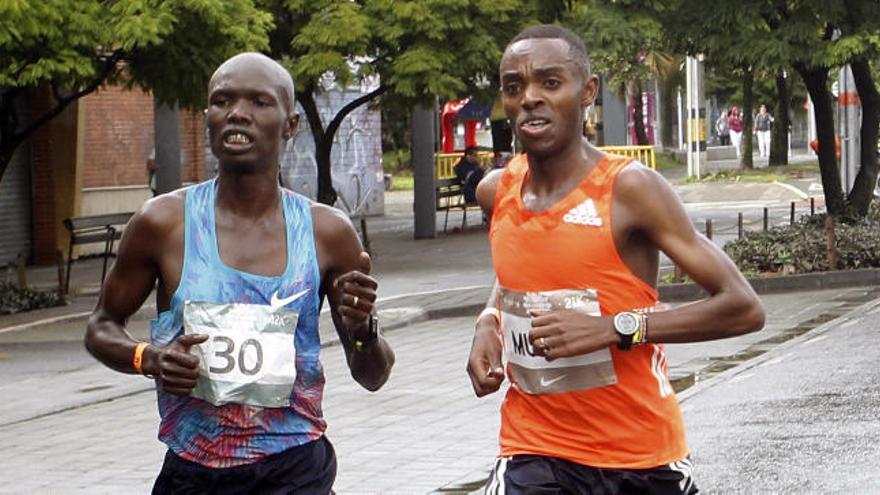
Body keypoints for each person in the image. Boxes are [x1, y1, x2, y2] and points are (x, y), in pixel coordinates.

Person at [466, 25, 764, 494]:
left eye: (549, 82)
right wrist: (489, 319)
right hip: (534, 447)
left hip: (640, 457)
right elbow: (519, 270)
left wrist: (614, 327)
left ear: (588, 92)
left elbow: (743, 307)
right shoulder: (496, 190)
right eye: (514, 86)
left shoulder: (630, 190)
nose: (529, 98)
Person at [85, 52, 394, 493]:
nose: (238, 114)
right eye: (222, 100)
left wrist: (362, 326)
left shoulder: (327, 232)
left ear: (290, 124)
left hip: (295, 469)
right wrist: (148, 358)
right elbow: (100, 326)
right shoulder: (163, 223)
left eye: (259, 103)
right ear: (208, 115)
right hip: (193, 471)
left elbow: (372, 374)